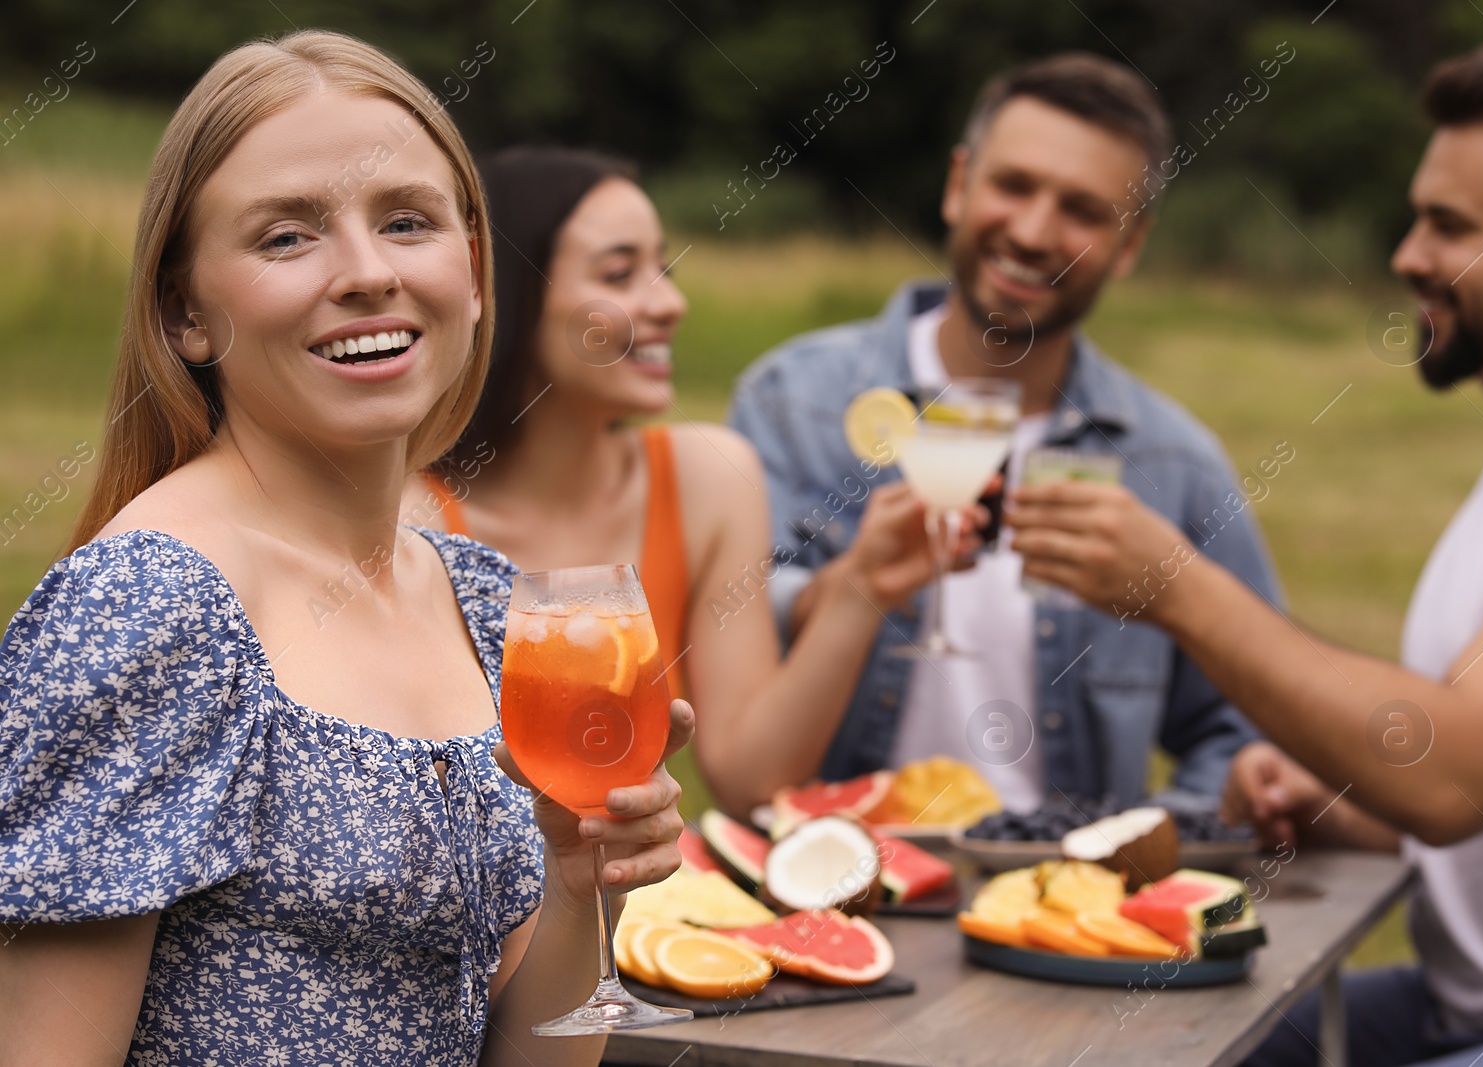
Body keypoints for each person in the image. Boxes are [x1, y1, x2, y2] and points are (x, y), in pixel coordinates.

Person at [0, 32, 687, 1067]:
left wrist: (573, 875)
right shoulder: (150, 605)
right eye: (287, 237)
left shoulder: (490, 602)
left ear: (473, 268)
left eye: (407, 222)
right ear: (187, 312)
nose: (367, 273)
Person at [1007, 42, 1483, 1065]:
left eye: (1448, 226)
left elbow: (1452, 778)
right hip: (1465, 1008)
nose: (1408, 253)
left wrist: (1178, 586)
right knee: (1139, 1046)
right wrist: (1334, 800)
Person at [728, 52, 1275, 814]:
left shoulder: (1174, 462)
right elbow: (727, 632)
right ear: (959, 185)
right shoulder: (797, 401)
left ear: (1131, 244)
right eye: (1013, 186)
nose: (1033, 230)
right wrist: (846, 589)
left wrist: (1148, 849)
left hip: (1048, 906)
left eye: (1084, 211)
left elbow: (1245, 726)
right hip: (826, 881)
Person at [406, 147, 963, 819]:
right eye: (620, 272)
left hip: (643, 908)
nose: (671, 302)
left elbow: (751, 777)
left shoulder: (706, 480)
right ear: (499, 292)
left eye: (662, 269)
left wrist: (861, 589)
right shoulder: (413, 519)